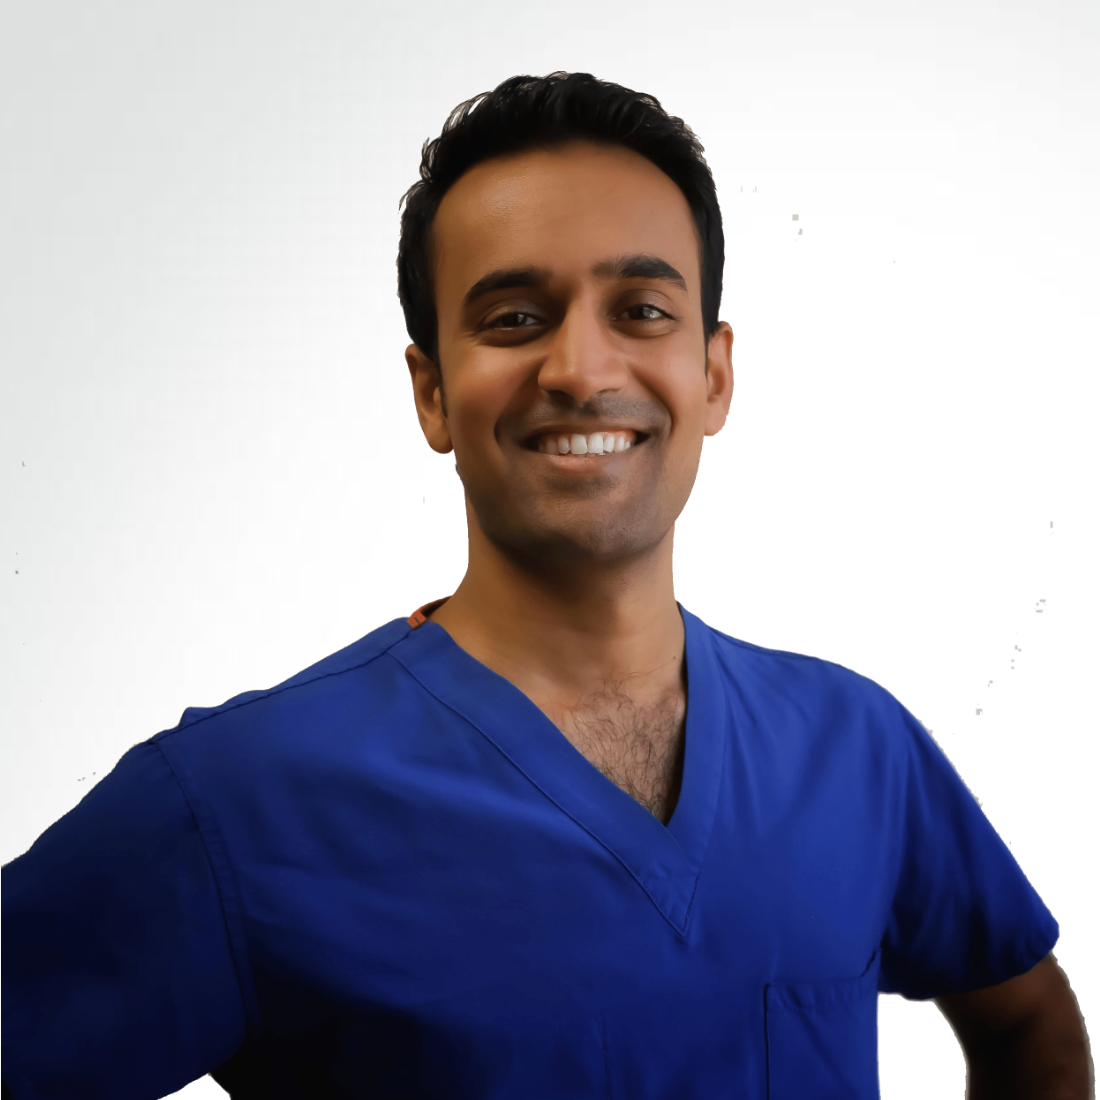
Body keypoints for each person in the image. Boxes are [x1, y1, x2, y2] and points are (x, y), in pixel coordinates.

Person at [1, 71, 1090, 1099]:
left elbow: (1029, 1029)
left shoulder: (855, 748)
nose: (580, 369)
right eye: (514, 318)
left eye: (642, 310)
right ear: (432, 392)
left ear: (713, 374)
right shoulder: (237, 805)